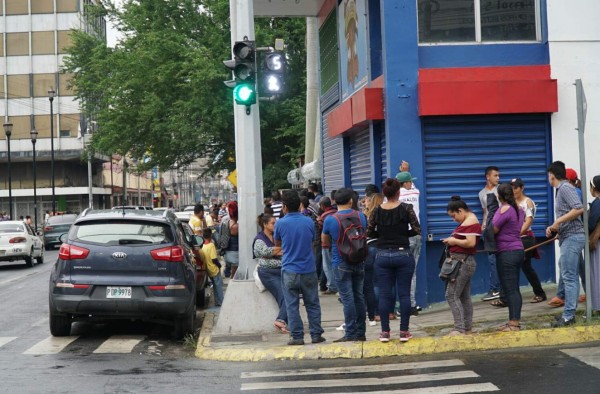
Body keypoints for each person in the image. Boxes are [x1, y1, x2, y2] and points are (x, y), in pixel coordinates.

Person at [368, 178, 420, 342]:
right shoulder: (406, 208)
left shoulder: (376, 211)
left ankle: (385, 332)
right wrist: (403, 235)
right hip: (403, 254)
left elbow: (369, 232)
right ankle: (404, 332)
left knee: (384, 294)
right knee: (404, 294)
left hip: (382, 255)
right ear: (398, 192)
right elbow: (417, 229)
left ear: (384, 193)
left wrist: (382, 236)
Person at [274, 190, 325, 346]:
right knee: (312, 303)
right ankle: (316, 334)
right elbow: (312, 243)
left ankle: (297, 336)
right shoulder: (309, 221)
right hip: (308, 268)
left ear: (285, 207)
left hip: (290, 269)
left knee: (292, 305)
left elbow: (277, 245)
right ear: (300, 205)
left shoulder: (280, 223)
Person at [323, 188, 368, 342]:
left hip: (340, 261)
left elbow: (325, 240)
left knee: (347, 298)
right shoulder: (360, 216)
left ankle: (350, 333)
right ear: (351, 201)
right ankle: (361, 332)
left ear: (334, 201)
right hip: (359, 260)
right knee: (359, 297)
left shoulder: (331, 219)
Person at [547, 161, 585, 327]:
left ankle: (569, 316)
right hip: (568, 236)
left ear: (552, 175)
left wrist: (557, 222)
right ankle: (569, 313)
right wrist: (555, 228)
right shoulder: (560, 190)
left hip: (573, 237)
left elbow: (578, 208)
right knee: (570, 273)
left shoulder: (565, 188)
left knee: (569, 277)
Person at [442, 196, 481, 336]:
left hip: (462, 263)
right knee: (464, 297)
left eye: (454, 216)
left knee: (451, 296)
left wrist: (453, 241)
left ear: (460, 210)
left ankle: (459, 328)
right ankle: (467, 328)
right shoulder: (469, 220)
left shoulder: (470, 221)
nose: (454, 220)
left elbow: (470, 243)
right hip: (464, 262)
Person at [492, 183, 525, 331]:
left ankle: (514, 324)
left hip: (507, 252)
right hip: (517, 250)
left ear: (499, 196)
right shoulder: (518, 209)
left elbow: (493, 229)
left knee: (510, 289)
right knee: (514, 288)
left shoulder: (504, 209)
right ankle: (513, 321)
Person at [511, 178, 547, 303]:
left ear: (522, 188)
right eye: (512, 188)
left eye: (515, 187)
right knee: (525, 267)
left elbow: (529, 220)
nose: (513, 190)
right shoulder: (511, 202)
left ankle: (509, 297)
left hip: (525, 238)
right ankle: (539, 293)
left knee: (514, 266)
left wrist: (517, 233)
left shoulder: (527, 202)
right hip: (514, 238)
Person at [253, 213, 287, 333]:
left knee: (289, 295)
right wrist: (277, 251)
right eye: (273, 223)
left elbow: (286, 248)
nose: (275, 225)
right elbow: (262, 253)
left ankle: (282, 321)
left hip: (282, 271)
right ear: (265, 224)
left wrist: (272, 252)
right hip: (268, 273)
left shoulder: (277, 236)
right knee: (283, 293)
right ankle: (281, 320)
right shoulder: (259, 239)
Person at [396, 170, 422, 316]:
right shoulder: (415, 193)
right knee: (412, 273)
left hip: (402, 238)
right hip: (416, 235)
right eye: (410, 181)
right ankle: (411, 304)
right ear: (406, 183)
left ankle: (406, 305)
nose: (412, 183)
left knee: (400, 273)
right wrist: (404, 170)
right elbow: (413, 187)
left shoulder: (394, 198)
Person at [479, 166, 501, 301]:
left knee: (499, 259)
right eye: (495, 175)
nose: (498, 178)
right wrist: (483, 224)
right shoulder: (481, 193)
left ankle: (497, 289)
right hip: (488, 228)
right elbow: (485, 211)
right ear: (488, 177)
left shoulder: (501, 190)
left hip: (499, 228)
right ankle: (495, 288)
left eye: (498, 175)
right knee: (492, 260)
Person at [364, 192, 384, 325]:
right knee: (381, 282)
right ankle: (385, 312)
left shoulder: (367, 216)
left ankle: (374, 312)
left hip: (370, 247)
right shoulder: (386, 214)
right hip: (382, 247)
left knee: (371, 283)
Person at [318, 197, 338, 294]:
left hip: (326, 244)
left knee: (327, 266)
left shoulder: (323, 216)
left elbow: (321, 230)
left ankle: (332, 286)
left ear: (322, 206)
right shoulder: (337, 212)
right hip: (337, 243)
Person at [199, 228, 223, 307]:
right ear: (210, 236)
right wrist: (219, 265)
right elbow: (214, 259)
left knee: (215, 286)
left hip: (209, 270)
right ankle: (220, 302)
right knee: (218, 287)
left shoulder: (203, 247)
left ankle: (217, 302)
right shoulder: (211, 245)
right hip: (214, 269)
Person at [588, 175, 600, 312]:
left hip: (597, 243)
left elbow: (591, 224)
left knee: (596, 273)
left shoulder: (597, 202)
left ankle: (597, 306)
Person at [222, 201, 239, 279]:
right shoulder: (235, 226)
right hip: (235, 253)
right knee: (234, 276)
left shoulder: (226, 221)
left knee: (233, 275)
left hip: (228, 252)